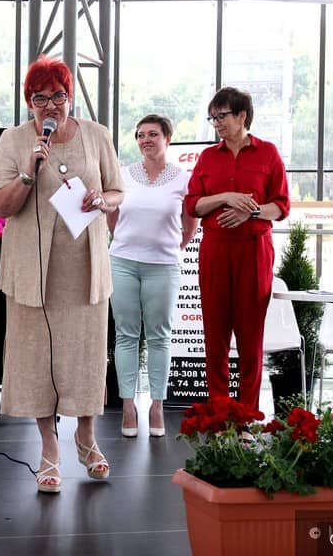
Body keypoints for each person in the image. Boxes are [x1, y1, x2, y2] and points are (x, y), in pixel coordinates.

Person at [0, 54, 124, 493]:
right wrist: (29, 173)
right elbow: (2, 206)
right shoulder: (13, 140)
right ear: (29, 101)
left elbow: (117, 191)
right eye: (41, 98)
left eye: (59, 96)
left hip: (84, 266)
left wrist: (101, 200)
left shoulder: (97, 135)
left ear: (70, 97)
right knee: (35, 358)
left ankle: (86, 436)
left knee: (86, 355)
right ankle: (49, 447)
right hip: (32, 269)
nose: (51, 106)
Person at [184, 87, 290, 411]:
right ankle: (219, 412)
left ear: (242, 115)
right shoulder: (207, 157)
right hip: (215, 249)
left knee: (250, 337)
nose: (216, 122)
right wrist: (226, 197)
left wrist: (252, 211)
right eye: (213, 117)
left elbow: (281, 206)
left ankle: (246, 415)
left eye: (222, 115)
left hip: (254, 250)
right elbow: (193, 205)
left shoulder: (268, 153)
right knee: (215, 335)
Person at [107, 114, 198, 438]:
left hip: (163, 265)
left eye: (153, 134)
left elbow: (190, 223)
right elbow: (112, 216)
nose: (146, 139)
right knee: (126, 335)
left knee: (160, 337)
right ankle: (128, 406)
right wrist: (126, 242)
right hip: (122, 262)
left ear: (167, 138)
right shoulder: (123, 175)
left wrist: (170, 248)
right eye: (140, 135)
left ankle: (156, 404)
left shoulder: (182, 179)